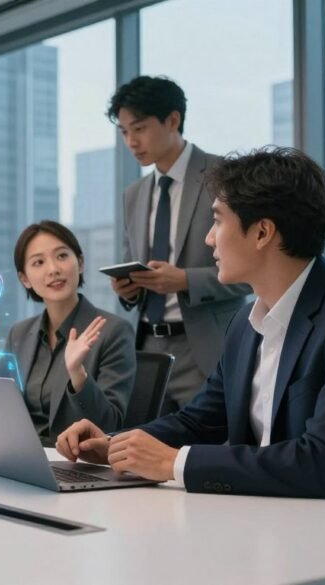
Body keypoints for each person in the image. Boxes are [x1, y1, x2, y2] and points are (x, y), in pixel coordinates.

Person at [56, 147, 325, 507]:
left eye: (217, 221)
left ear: (262, 233)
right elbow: (201, 421)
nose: (209, 239)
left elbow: (323, 463)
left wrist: (171, 463)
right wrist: (115, 445)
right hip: (269, 516)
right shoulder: (245, 324)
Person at [107, 76, 250, 413]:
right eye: (125, 132)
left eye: (139, 128)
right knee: (143, 452)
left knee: (207, 451)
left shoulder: (225, 176)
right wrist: (128, 289)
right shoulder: (134, 194)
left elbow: (251, 272)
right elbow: (134, 262)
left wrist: (184, 280)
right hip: (146, 346)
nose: (131, 141)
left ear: (173, 120)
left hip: (205, 345)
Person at [0, 221, 135, 442]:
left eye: (62, 256)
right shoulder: (19, 334)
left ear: (81, 262)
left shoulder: (113, 332)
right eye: (38, 262)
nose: (53, 269)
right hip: (23, 457)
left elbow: (109, 425)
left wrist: (77, 374)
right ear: (25, 279)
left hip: (77, 463)